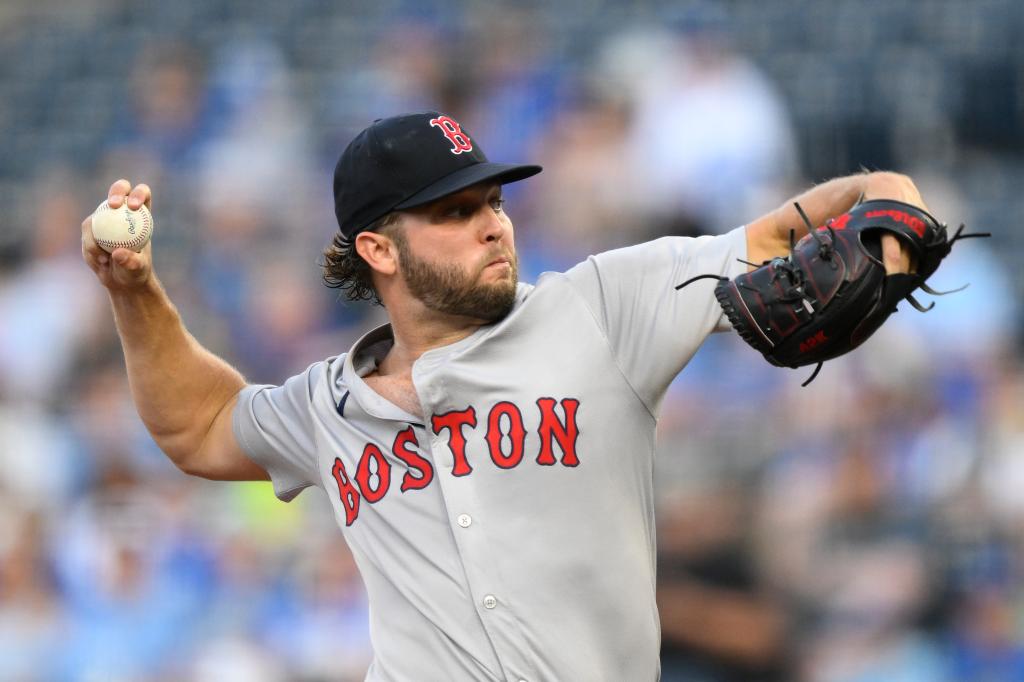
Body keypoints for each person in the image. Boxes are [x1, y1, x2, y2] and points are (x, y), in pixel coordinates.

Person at [82, 111, 920, 681]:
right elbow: (197, 426)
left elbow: (804, 224)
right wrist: (135, 292)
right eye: (454, 210)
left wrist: (895, 206)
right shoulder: (326, 407)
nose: (493, 224)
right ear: (377, 247)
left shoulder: (601, 306)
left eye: (492, 200)